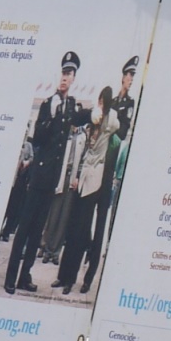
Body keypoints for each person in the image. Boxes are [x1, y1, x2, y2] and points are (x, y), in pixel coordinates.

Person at [5, 51, 85, 294]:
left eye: (69, 74)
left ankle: (25, 276)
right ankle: (11, 277)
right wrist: (51, 116)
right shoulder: (48, 104)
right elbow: (38, 138)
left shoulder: (71, 106)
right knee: (24, 229)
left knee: (37, 231)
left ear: (74, 78)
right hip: (39, 177)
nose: (65, 77)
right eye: (63, 72)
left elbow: (80, 118)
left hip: (53, 180)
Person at [56, 89, 116, 296]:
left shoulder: (109, 124)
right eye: (99, 100)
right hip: (81, 180)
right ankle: (62, 275)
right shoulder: (92, 120)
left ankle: (70, 279)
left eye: (103, 101)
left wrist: (106, 111)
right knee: (71, 230)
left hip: (94, 182)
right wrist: (93, 112)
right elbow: (77, 118)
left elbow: (115, 123)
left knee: (81, 233)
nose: (100, 104)